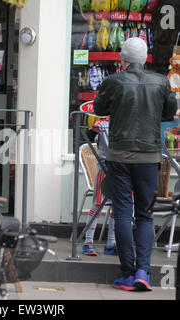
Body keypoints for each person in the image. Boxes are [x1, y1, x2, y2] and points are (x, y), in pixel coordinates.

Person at [93, 37, 177, 291]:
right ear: (145, 58)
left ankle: (128, 273)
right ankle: (143, 271)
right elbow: (168, 112)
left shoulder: (114, 81)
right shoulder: (161, 82)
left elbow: (98, 108)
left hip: (119, 156)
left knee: (122, 213)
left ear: (123, 58)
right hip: (149, 158)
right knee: (145, 215)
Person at [82, 116, 117, 256]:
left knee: (117, 205)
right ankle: (88, 241)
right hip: (105, 166)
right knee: (97, 203)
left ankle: (111, 243)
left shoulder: (125, 121)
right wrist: (94, 130)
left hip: (122, 169)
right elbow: (88, 137)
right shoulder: (102, 123)